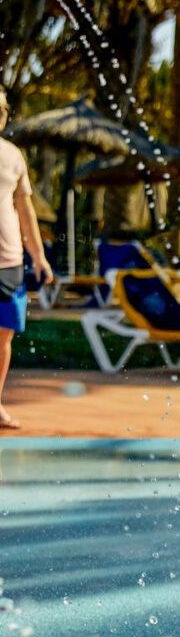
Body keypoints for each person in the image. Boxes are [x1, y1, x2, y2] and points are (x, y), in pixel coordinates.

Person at [0, 90, 55, 430]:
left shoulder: (13, 156)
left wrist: (39, 256)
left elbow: (24, 207)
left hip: (9, 261)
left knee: (3, 336)